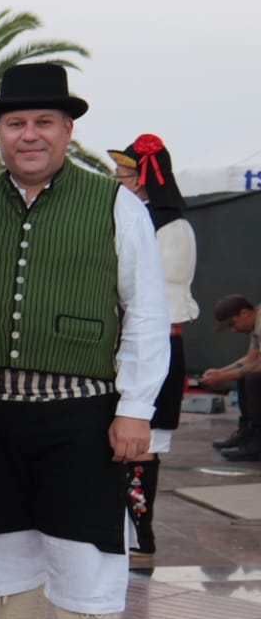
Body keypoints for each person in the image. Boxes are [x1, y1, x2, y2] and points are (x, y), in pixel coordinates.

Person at [0, 63, 167, 619]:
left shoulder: (116, 204)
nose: (30, 134)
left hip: (81, 414)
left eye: (44, 122)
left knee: (86, 554)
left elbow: (147, 312)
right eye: (16, 123)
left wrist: (136, 408)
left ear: (68, 130)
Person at [105, 135, 198, 565]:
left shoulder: (172, 228)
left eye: (124, 174)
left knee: (142, 445)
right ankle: (121, 534)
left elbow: (157, 299)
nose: (118, 182)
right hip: (130, 342)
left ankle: (141, 536)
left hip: (157, 344)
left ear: (143, 179)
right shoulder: (140, 218)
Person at [201, 295, 261, 459]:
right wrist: (220, 372)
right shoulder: (256, 324)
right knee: (245, 376)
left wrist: (224, 377)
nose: (233, 330)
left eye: (232, 324)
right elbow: (251, 359)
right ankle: (248, 431)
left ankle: (258, 441)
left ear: (244, 313)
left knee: (254, 378)